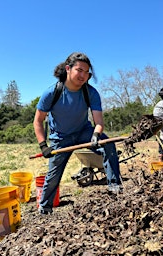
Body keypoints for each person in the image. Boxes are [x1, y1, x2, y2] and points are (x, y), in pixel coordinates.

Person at [33, 52, 122, 215]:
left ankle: (115, 187)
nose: (83, 75)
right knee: (53, 175)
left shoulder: (91, 93)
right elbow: (38, 121)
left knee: (108, 144)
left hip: (83, 132)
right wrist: (43, 145)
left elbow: (99, 122)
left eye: (87, 72)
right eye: (79, 70)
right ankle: (44, 208)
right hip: (60, 138)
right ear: (68, 69)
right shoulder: (52, 93)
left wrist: (96, 136)